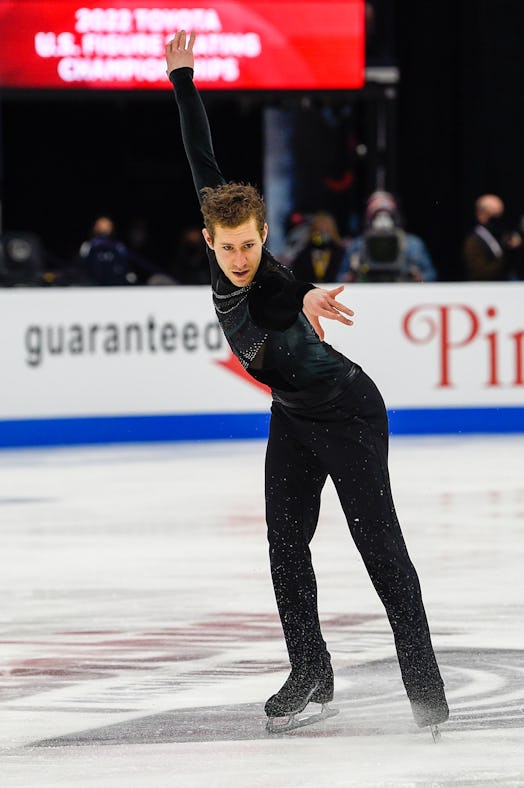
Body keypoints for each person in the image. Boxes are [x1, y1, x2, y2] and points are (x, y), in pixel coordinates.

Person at [166, 31, 449, 733]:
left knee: (379, 547)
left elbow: (275, 294)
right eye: (227, 245)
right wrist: (183, 78)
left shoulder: (270, 281)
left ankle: (428, 694)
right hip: (292, 415)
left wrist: (307, 293)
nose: (238, 256)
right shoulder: (221, 239)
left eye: (249, 244)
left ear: (265, 235)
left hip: (349, 412)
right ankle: (311, 670)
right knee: (284, 543)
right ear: (210, 238)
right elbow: (200, 154)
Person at [337, 191, 437, 283]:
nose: (383, 220)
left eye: (387, 215)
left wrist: (417, 276)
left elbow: (431, 275)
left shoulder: (413, 244)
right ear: (369, 219)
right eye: (377, 216)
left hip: (403, 290)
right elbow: (339, 279)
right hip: (368, 291)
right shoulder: (356, 245)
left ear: (395, 218)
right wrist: (352, 275)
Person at [462, 194, 511, 281]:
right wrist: (506, 256)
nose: (498, 220)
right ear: (480, 214)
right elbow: (481, 273)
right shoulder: (474, 240)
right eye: (494, 215)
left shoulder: (500, 235)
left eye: (500, 214)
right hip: (484, 290)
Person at [290, 211, 346, 283]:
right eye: (319, 230)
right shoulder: (304, 254)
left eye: (326, 230)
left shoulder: (340, 253)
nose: (322, 234)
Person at [78, 216, 132, 286]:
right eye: (101, 226)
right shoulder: (88, 246)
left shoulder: (118, 247)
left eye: (107, 226)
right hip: (92, 286)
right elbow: (80, 267)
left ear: (112, 228)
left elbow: (126, 266)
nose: (104, 229)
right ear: (95, 227)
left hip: (115, 286)